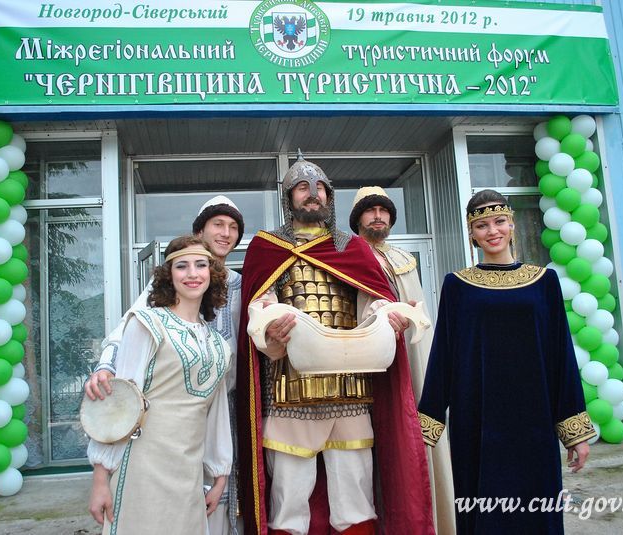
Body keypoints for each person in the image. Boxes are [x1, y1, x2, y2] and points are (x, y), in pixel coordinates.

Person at [236, 153, 434, 535]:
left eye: (320, 188)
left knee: (355, 501)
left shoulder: (352, 248)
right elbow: (259, 308)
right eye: (302, 187)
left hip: (350, 391)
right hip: (291, 392)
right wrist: (270, 331)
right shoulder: (267, 247)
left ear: (330, 196)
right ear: (288, 197)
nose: (312, 194)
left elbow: (372, 300)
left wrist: (388, 317)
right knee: (288, 502)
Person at [417, 189, 596, 534]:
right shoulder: (457, 286)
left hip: (534, 420)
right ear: (472, 234)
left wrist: (575, 431)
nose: (492, 231)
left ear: (512, 224)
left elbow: (560, 356)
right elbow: (444, 356)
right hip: (477, 422)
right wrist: (428, 426)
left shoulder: (544, 282)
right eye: (482, 225)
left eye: (499, 221)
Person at [86, 196, 244, 535]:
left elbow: (216, 411)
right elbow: (120, 402)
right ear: (168, 274)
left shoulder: (217, 343)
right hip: (143, 461)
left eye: (200, 266)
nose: (192, 274)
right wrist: (100, 477)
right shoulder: (147, 323)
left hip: (189, 467)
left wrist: (220, 473)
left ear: (212, 274)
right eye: (182, 266)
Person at [348, 186, 456, 535]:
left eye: (383, 210)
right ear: (358, 219)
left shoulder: (404, 260)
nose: (378, 216)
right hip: (367, 364)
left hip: (410, 358)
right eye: (370, 210)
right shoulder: (348, 256)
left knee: (415, 436)